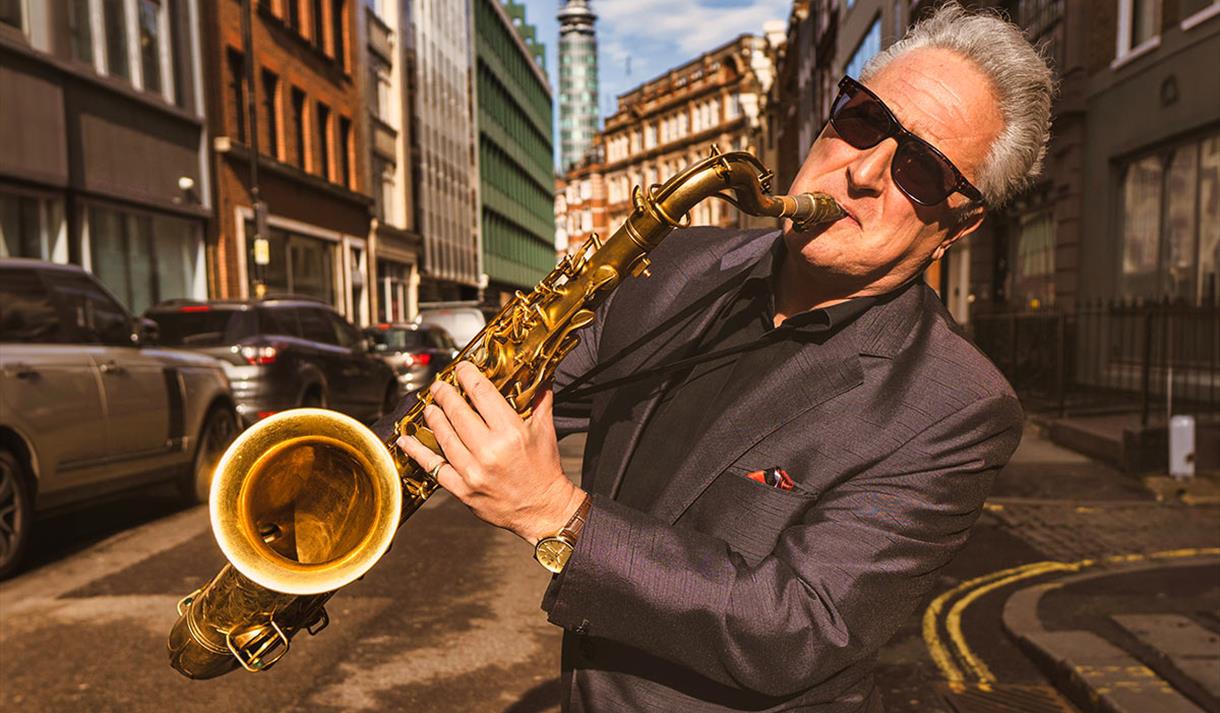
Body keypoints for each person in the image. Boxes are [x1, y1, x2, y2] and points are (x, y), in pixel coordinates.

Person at [396, 4, 1055, 710]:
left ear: (960, 220)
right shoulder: (673, 261)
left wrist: (559, 515)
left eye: (920, 170)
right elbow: (512, 386)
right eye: (863, 120)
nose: (862, 170)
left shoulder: (955, 407)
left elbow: (799, 625)